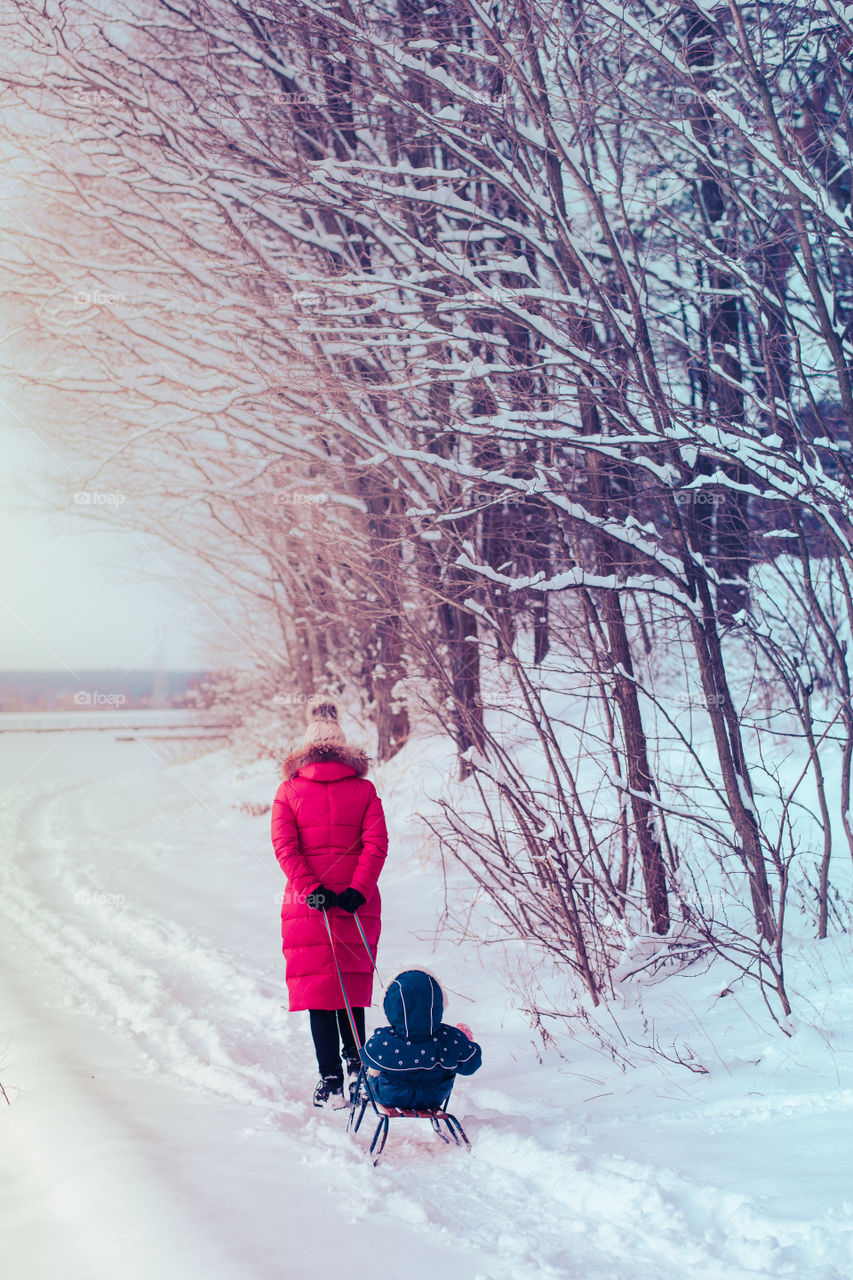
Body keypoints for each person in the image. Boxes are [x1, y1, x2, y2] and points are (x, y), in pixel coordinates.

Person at [271, 697, 388, 1107]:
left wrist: (309, 888)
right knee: (350, 989)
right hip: (357, 903)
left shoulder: (288, 790)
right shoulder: (364, 789)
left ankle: (330, 1081)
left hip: (308, 906)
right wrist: (358, 889)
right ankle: (358, 1068)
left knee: (318, 993)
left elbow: (285, 847)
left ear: (305, 750)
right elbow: (376, 844)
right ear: (343, 749)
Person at [360, 969, 482, 1109]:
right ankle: (461, 1049)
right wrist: (463, 1044)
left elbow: (365, 1058)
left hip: (390, 1095)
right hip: (434, 1097)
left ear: (390, 1007)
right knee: (452, 1056)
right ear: (438, 1004)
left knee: (371, 1069)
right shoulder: (449, 1037)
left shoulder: (385, 1039)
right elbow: (472, 1065)